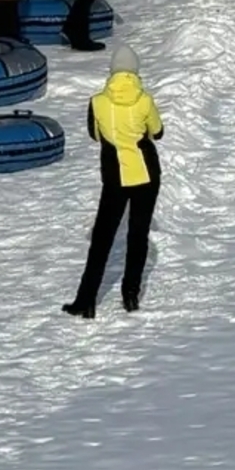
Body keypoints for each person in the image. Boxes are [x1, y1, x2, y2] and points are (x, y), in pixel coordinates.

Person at [62, 42, 164, 318]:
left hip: (114, 176)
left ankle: (86, 299)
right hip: (146, 174)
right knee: (138, 234)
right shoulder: (145, 100)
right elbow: (158, 131)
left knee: (102, 238)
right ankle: (130, 295)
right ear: (135, 71)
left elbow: (95, 135)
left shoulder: (97, 102)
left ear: (112, 72)